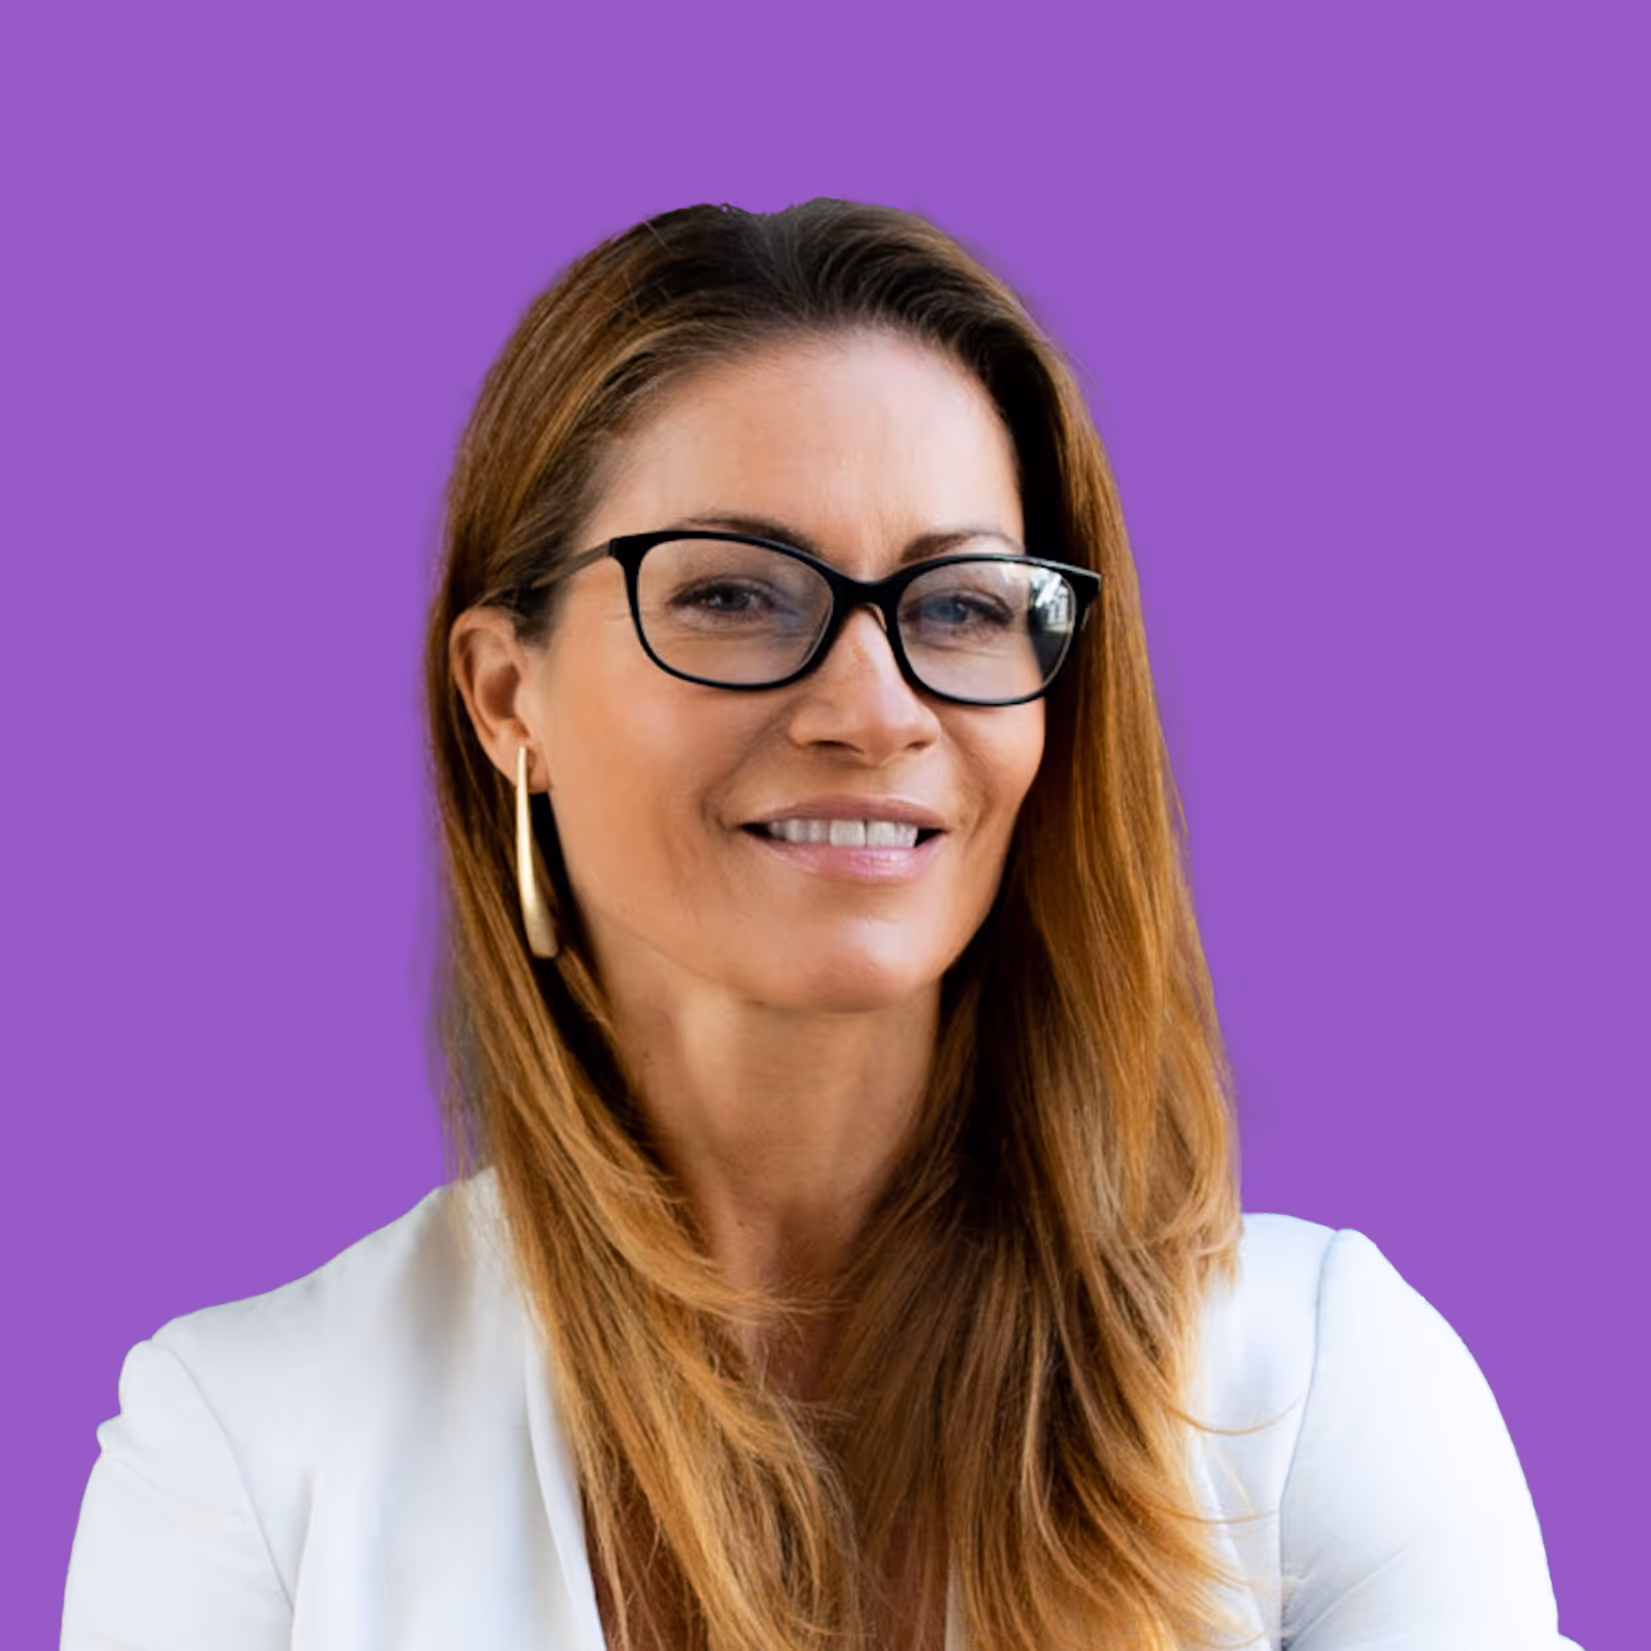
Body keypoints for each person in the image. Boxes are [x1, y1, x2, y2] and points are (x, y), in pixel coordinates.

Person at [60, 199, 1579, 1651]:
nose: (873, 709)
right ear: (506, 697)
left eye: (963, 605)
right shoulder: (246, 1450)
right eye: (733, 593)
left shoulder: (1318, 1388)